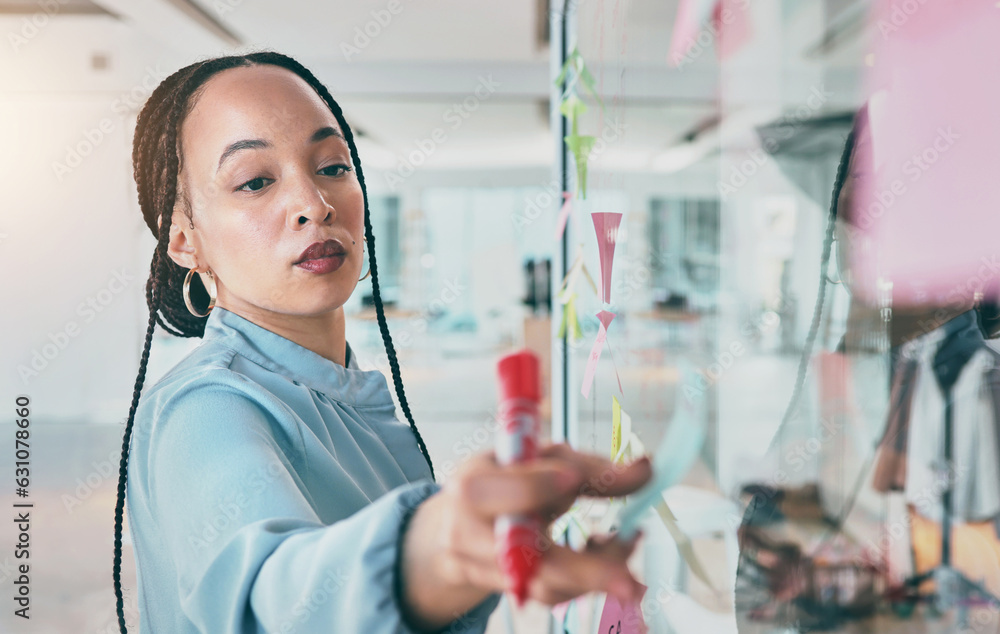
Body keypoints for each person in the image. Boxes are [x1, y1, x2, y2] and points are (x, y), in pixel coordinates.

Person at [112, 51, 653, 634]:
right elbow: (272, 599)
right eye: (256, 181)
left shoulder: (345, 392)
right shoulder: (206, 406)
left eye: (332, 167)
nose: (315, 205)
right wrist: (445, 546)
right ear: (187, 243)